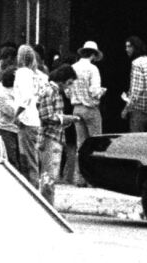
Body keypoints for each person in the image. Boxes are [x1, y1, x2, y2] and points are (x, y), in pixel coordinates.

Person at [32, 65, 74, 203]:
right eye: (69, 83)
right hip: (49, 137)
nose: (69, 87)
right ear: (62, 81)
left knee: (49, 176)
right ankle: (48, 206)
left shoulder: (54, 91)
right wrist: (65, 119)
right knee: (48, 176)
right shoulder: (50, 91)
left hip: (53, 136)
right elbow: (46, 116)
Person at [123, 36, 147, 133]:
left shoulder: (136, 63)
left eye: (129, 46)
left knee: (136, 143)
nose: (126, 49)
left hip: (139, 111)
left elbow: (136, 90)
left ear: (136, 47)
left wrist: (126, 109)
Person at [70, 42, 105, 134]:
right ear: (93, 54)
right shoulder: (93, 69)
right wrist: (102, 91)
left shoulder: (72, 67)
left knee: (81, 142)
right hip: (90, 108)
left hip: (77, 108)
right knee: (96, 141)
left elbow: (68, 91)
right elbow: (95, 92)